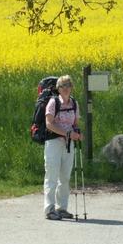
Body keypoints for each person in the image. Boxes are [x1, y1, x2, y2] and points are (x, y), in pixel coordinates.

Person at [43, 75, 83, 220]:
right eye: (62, 86)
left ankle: (62, 208)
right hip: (54, 143)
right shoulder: (53, 103)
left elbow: (75, 124)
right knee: (52, 176)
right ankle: (49, 209)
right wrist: (67, 133)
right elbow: (49, 124)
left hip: (69, 144)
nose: (66, 89)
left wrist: (78, 134)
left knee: (65, 177)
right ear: (58, 89)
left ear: (72, 87)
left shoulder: (74, 103)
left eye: (68, 86)